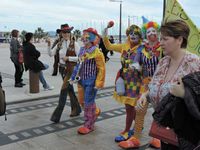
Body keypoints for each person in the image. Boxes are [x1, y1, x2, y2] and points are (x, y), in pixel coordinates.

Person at [137, 20, 200, 150]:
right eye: (160, 39)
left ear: (179, 40)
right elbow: (157, 87)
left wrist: (184, 94)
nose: (161, 43)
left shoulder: (194, 63)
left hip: (186, 136)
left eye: (165, 39)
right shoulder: (163, 62)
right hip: (165, 132)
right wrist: (145, 95)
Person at [119, 21, 162, 149]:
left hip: (159, 83)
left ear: (158, 33)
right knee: (140, 109)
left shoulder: (162, 48)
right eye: (149, 32)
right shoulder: (142, 49)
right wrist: (133, 67)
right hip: (145, 84)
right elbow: (137, 63)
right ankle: (136, 138)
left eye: (154, 31)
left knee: (159, 111)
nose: (152, 33)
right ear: (145, 34)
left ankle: (158, 137)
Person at [103, 24, 143, 142]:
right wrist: (105, 30)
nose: (133, 36)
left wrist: (137, 67)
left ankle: (126, 131)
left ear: (140, 36)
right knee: (129, 106)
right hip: (124, 80)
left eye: (135, 34)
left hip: (136, 82)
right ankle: (139, 125)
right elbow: (108, 46)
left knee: (129, 107)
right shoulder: (124, 46)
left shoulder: (142, 48)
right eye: (131, 34)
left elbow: (147, 66)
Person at [68, 27, 105, 134]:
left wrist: (98, 83)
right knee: (82, 101)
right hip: (81, 80)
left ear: (92, 38)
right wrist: (73, 77)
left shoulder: (97, 51)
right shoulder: (82, 50)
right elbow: (78, 64)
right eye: (83, 35)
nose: (84, 37)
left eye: (86, 35)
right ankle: (95, 112)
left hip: (91, 80)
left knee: (88, 102)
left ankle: (89, 125)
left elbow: (101, 68)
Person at [47, 24, 81, 122]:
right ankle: (76, 109)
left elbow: (80, 58)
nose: (66, 34)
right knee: (69, 90)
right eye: (64, 32)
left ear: (70, 33)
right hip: (62, 70)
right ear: (61, 33)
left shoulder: (75, 44)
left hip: (71, 70)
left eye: (67, 32)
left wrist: (68, 58)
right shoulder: (59, 44)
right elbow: (50, 54)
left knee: (63, 90)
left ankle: (56, 115)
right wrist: (49, 44)